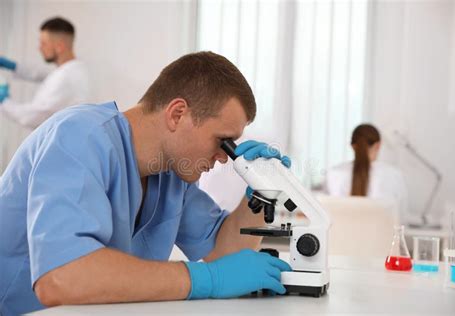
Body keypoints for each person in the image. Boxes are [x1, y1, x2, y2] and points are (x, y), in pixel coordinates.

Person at [0, 52, 293, 315]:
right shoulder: (79, 138)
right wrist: (207, 279)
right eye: (222, 141)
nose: (224, 158)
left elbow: (225, 252)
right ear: (177, 113)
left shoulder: (171, 174)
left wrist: (264, 192)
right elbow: (61, 279)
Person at [0, 17, 90, 129]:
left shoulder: (65, 77)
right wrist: (14, 67)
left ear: (59, 46)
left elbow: (32, 117)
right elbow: (45, 74)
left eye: (44, 43)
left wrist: (4, 101)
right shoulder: (72, 69)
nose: (39, 48)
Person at [324, 124, 408, 218]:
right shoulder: (394, 175)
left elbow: (325, 212)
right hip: (381, 232)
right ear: (378, 145)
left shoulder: (334, 173)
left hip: (340, 232)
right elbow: (401, 218)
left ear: (353, 146)